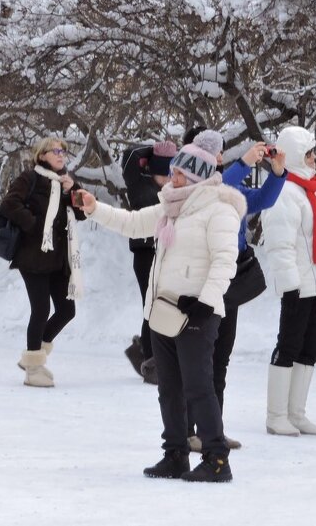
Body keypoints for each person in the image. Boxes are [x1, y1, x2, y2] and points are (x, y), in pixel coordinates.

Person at [79, 130, 243, 483]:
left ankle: (217, 459)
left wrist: (206, 302)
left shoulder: (219, 209)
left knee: (200, 387)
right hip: (164, 312)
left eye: (181, 172)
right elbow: (132, 222)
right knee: (169, 388)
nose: (173, 176)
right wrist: (94, 208)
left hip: (196, 313)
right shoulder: (171, 206)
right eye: (173, 170)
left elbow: (225, 261)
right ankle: (175, 453)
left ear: (198, 176)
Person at [186, 132, 287, 451]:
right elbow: (220, 187)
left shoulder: (229, 188)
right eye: (216, 153)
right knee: (197, 359)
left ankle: (211, 429)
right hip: (202, 282)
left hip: (229, 281)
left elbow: (263, 201)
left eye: (221, 153)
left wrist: (278, 172)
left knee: (220, 358)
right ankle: (188, 428)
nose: (220, 157)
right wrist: (244, 162)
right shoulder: (194, 188)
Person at [260, 126, 316, 437]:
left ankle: (296, 413)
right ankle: (276, 414)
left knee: (312, 344)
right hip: (298, 284)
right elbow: (280, 246)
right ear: (294, 156)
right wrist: (290, 286)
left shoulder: (312, 188)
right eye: (308, 153)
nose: (314, 157)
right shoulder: (285, 192)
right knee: (289, 344)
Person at [0, 136, 86, 387]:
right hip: (32, 256)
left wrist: (74, 191)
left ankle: (32, 355)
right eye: (55, 151)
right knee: (41, 309)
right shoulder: (30, 178)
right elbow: (10, 204)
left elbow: (81, 214)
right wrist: (35, 225)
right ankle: (33, 369)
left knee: (67, 310)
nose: (60, 155)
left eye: (63, 151)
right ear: (42, 155)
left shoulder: (66, 182)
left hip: (59, 258)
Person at [121, 140, 178, 384]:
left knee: (161, 305)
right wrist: (155, 151)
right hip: (144, 254)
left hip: (165, 252)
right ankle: (150, 361)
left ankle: (145, 352)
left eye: (170, 174)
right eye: (162, 173)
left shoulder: (173, 190)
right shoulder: (138, 183)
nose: (167, 179)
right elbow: (130, 155)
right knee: (151, 306)